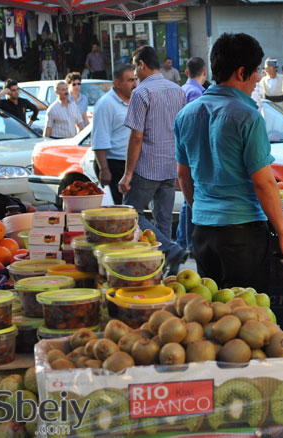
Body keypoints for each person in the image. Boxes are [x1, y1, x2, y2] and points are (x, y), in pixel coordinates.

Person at [174, 33, 283, 291]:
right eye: (255, 71)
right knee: (247, 318)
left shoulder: (186, 114)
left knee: (214, 314)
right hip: (241, 234)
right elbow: (264, 183)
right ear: (241, 72)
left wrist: (202, 211)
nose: (258, 78)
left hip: (202, 233)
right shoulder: (247, 117)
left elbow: (183, 176)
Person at [118, 46, 188, 276]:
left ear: (141, 65)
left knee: (131, 214)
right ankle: (169, 272)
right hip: (171, 165)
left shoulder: (141, 92)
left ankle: (170, 250)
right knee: (164, 220)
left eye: (135, 68)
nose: (135, 75)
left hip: (147, 167)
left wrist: (128, 173)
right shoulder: (177, 90)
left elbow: (136, 136)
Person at [91, 64, 137, 205]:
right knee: (123, 211)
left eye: (136, 79)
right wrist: (104, 169)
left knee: (135, 209)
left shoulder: (135, 101)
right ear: (117, 83)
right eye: (130, 80)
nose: (135, 84)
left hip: (132, 164)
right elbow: (100, 139)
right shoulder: (106, 104)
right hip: (115, 164)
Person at [176, 56, 207, 254]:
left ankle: (181, 240)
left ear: (187, 72)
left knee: (187, 200)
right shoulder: (198, 94)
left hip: (181, 150)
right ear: (204, 72)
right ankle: (188, 244)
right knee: (190, 201)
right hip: (193, 153)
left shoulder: (182, 90)